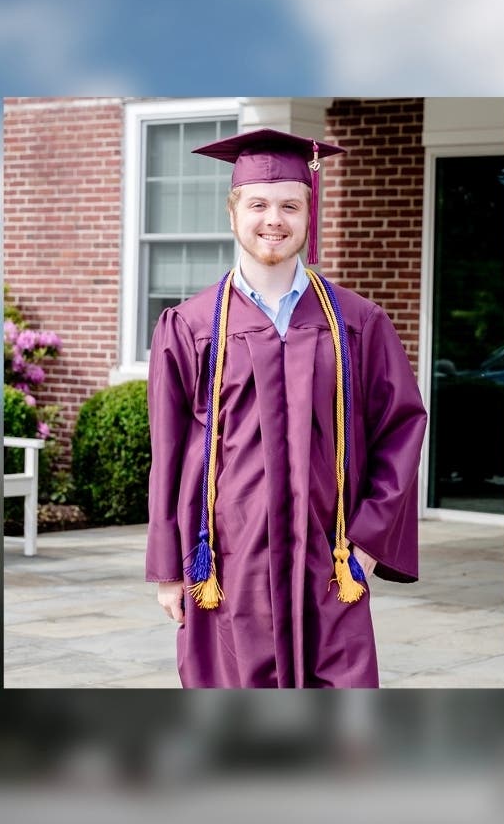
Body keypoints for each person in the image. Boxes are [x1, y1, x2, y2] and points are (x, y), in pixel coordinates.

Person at [146, 128, 428, 688]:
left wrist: (369, 541)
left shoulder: (358, 322)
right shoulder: (189, 326)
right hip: (227, 564)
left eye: (289, 206)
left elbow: (401, 428)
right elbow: (167, 454)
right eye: (258, 204)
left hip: (331, 560)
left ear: (308, 214)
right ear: (233, 214)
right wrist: (167, 568)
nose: (273, 220)